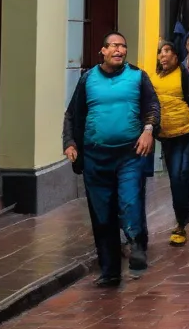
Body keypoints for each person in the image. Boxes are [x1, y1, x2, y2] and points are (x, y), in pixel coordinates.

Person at [63, 32, 159, 287]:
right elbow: (73, 114)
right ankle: (110, 271)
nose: (119, 50)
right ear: (102, 51)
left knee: (129, 201)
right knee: (102, 215)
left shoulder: (138, 76)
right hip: (96, 156)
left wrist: (148, 131)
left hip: (130, 154)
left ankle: (137, 246)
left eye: (123, 46)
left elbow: (152, 106)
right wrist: (70, 143)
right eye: (114, 46)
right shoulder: (88, 79)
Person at [151, 41, 189, 246]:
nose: (163, 56)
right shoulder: (154, 78)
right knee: (174, 177)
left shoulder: (183, 75)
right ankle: (182, 215)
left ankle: (181, 222)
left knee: (181, 173)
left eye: (167, 52)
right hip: (166, 134)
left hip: (187, 131)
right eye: (160, 52)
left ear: (175, 56)